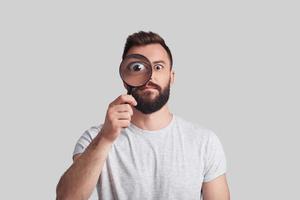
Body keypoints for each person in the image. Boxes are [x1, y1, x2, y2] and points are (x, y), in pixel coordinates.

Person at [56, 31, 230, 200]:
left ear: (172, 76)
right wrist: (105, 138)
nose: (149, 76)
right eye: (137, 67)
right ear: (125, 78)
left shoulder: (204, 142)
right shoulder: (95, 138)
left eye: (158, 67)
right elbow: (65, 198)